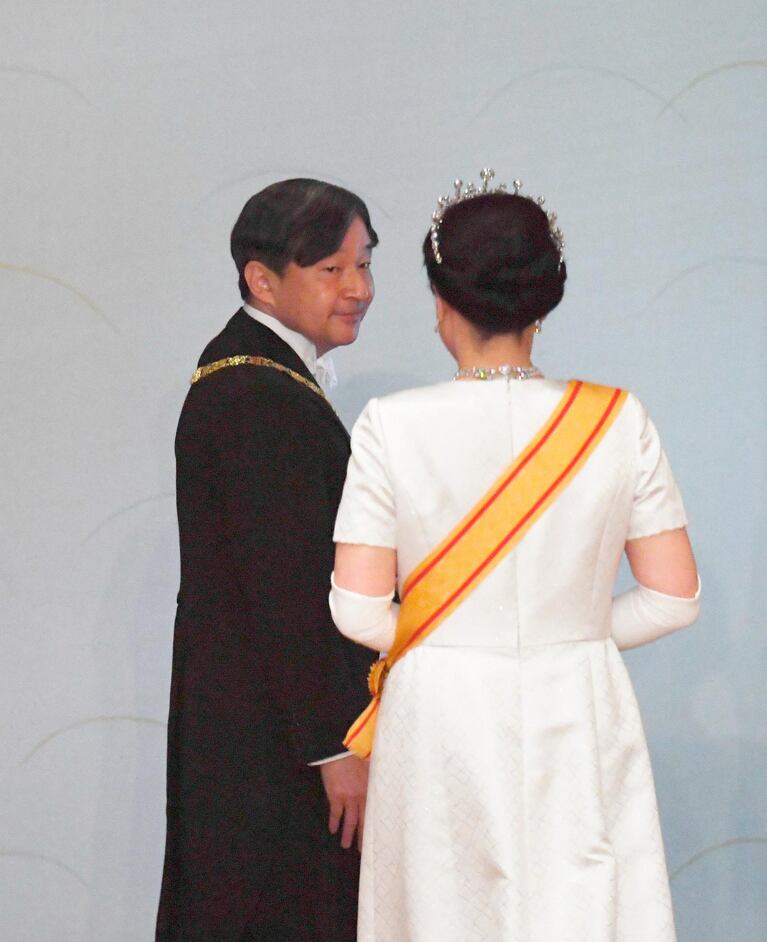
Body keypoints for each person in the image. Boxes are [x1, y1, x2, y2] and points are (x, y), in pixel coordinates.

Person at [329, 170, 700, 942]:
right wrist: (572, 632)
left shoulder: (389, 426)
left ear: (442, 302)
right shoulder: (615, 418)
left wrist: (466, 637)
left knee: (443, 913)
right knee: (583, 907)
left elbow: (359, 608)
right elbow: (673, 597)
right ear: (545, 298)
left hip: (441, 715)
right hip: (580, 699)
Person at [156, 178, 378, 941]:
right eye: (332, 270)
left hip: (261, 725)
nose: (358, 289)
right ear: (263, 278)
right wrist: (333, 745)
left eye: (364, 265)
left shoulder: (256, 374)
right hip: (271, 746)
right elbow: (283, 591)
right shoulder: (257, 394)